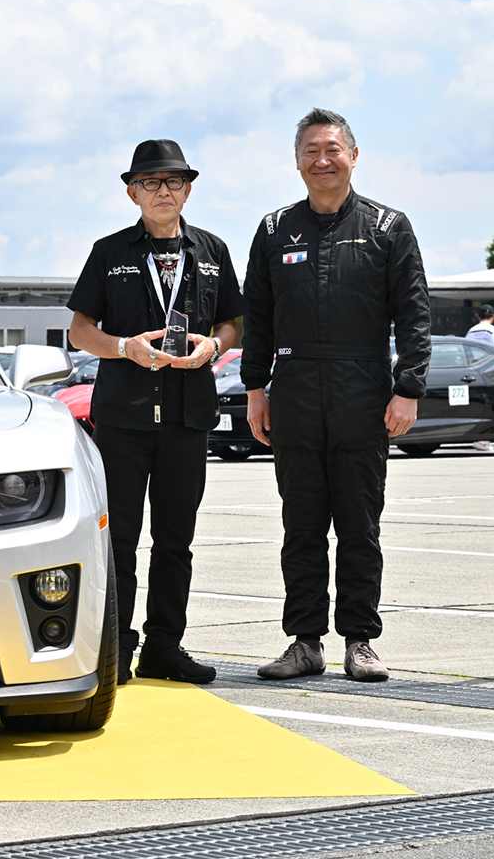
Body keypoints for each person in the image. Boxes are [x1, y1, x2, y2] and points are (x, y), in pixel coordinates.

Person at [241, 108, 430, 683]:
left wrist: (408, 390)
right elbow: (258, 318)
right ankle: (304, 642)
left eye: (331, 149)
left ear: (352, 155)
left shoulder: (387, 226)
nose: (321, 161)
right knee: (300, 525)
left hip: (362, 392)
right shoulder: (275, 229)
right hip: (295, 391)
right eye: (310, 151)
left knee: (358, 524)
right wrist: (256, 389)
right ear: (296, 160)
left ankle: (361, 641)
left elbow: (414, 315)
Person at [68, 138, 245, 686]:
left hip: (189, 418)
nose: (162, 191)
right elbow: (80, 331)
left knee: (176, 539)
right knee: (119, 536)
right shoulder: (109, 252)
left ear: (188, 189)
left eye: (172, 181)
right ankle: (116, 645)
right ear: (131, 192)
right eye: (150, 182)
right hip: (123, 418)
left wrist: (211, 349)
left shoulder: (212, 251)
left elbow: (234, 323)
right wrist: (125, 348)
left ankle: (165, 646)